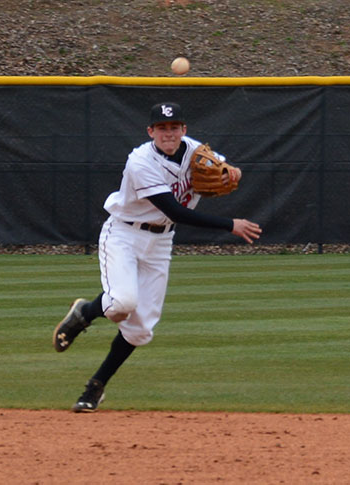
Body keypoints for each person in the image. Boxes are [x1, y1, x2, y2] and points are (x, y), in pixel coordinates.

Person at [52, 101, 262, 412]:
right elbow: (174, 210)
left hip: (161, 243)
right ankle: (85, 312)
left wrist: (234, 174)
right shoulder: (140, 161)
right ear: (150, 131)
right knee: (120, 305)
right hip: (124, 234)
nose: (169, 133)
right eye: (162, 128)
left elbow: (226, 169)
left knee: (140, 330)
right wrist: (230, 225)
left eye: (174, 127)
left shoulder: (194, 150)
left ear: (184, 129)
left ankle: (95, 387)